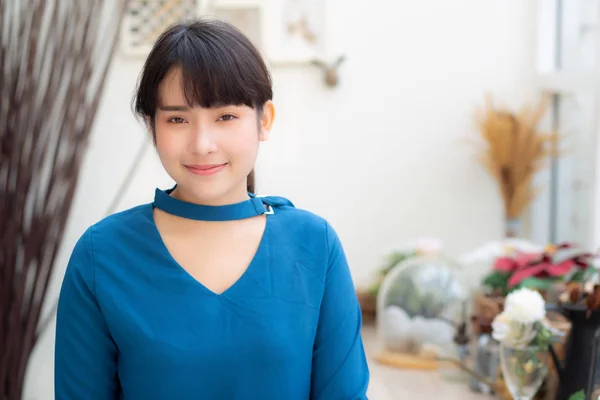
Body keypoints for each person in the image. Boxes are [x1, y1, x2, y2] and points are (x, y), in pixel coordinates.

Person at [54, 18, 370, 400]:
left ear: (263, 120)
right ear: (151, 125)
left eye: (225, 117)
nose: (202, 143)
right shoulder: (100, 255)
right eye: (177, 119)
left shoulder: (315, 245)